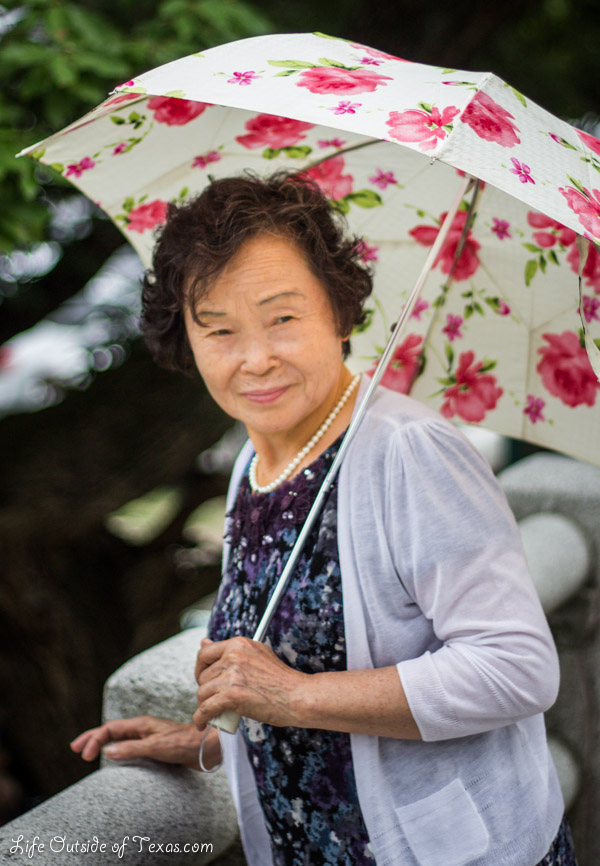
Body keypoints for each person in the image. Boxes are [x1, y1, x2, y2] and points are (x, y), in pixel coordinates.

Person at [71, 172, 577, 866]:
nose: (255, 359)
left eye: (283, 318)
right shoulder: (256, 461)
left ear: (339, 312)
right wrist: (218, 744)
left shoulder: (407, 452)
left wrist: (295, 696)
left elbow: (516, 669)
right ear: (184, 337)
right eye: (218, 329)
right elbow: (312, 678)